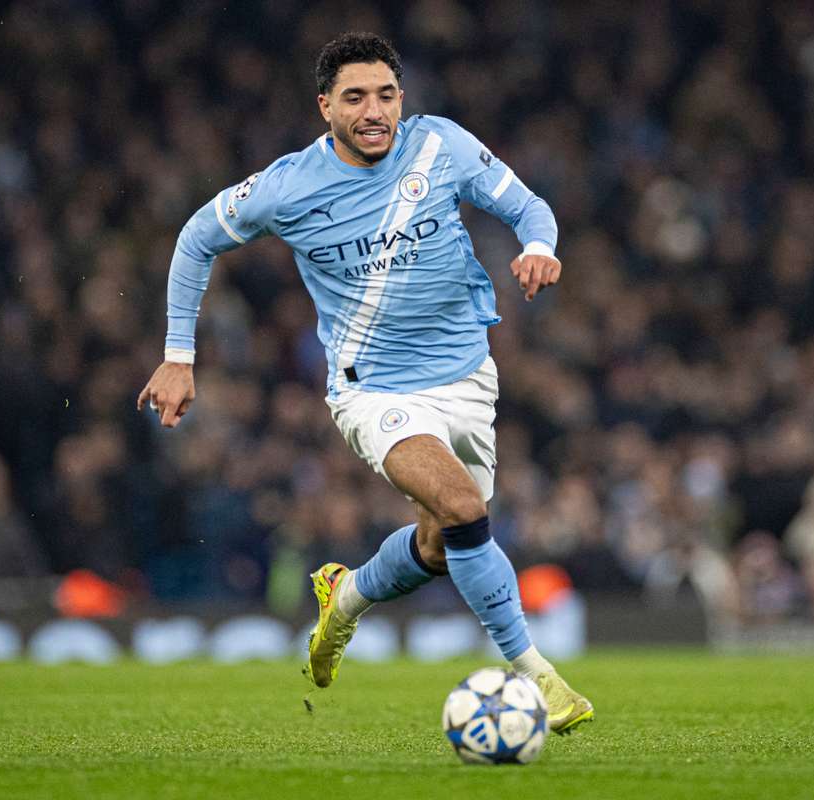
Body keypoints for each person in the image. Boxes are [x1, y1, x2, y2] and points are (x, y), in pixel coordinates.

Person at [137, 32, 593, 734]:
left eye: (385, 95)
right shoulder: (288, 186)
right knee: (464, 508)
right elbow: (197, 238)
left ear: (402, 98)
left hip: (469, 377)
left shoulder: (439, 145)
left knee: (441, 546)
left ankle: (345, 598)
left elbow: (529, 207)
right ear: (326, 107)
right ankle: (537, 676)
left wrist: (539, 246)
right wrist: (178, 354)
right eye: (355, 98)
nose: (373, 111)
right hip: (374, 390)